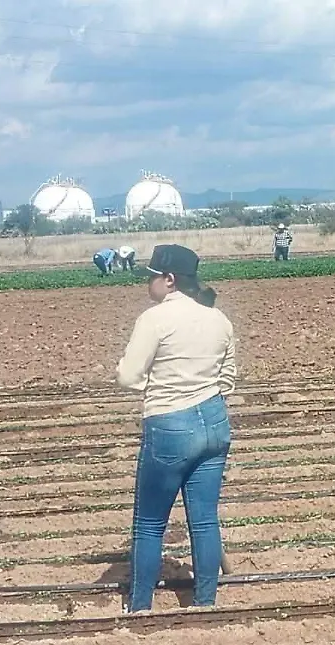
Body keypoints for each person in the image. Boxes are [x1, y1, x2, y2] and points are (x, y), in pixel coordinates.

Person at [115, 244, 237, 613]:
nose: (148, 283)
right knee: (204, 519)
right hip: (214, 421)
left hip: (170, 424)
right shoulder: (219, 319)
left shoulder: (154, 319)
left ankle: (139, 607)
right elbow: (227, 379)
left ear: (169, 280)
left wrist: (158, 386)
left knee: (150, 523)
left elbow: (128, 376)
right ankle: (205, 602)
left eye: (151, 276)